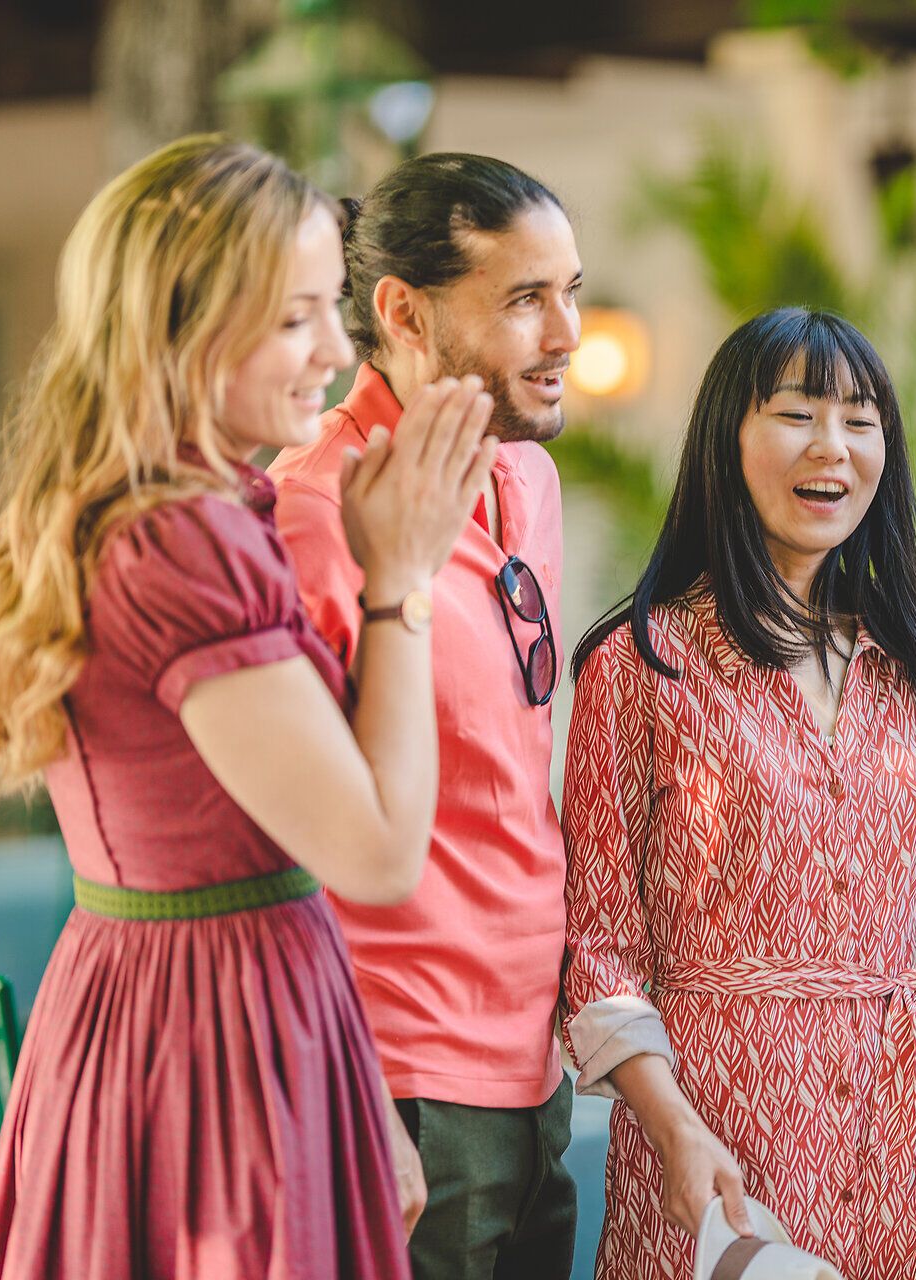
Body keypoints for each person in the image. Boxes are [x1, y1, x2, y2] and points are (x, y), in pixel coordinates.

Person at [0, 134, 497, 1278]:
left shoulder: (132, 506)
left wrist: (360, 1079)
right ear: (186, 328)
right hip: (220, 1034)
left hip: (147, 1000)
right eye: (297, 318)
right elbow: (378, 850)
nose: (337, 349)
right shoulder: (184, 537)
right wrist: (399, 580)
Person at [560, 307, 916, 1279]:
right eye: (797, 412)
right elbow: (596, 948)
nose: (834, 446)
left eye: (862, 419)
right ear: (726, 437)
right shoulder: (643, 664)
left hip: (902, 1128)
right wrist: (676, 1132)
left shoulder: (903, 661)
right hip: (723, 1136)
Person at [268, 153, 582, 1278]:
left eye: (572, 290)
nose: (569, 333)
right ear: (402, 312)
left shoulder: (529, 484)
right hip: (401, 1078)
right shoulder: (312, 511)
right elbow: (286, 833)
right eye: (524, 300)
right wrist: (349, 1087)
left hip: (538, 1069)